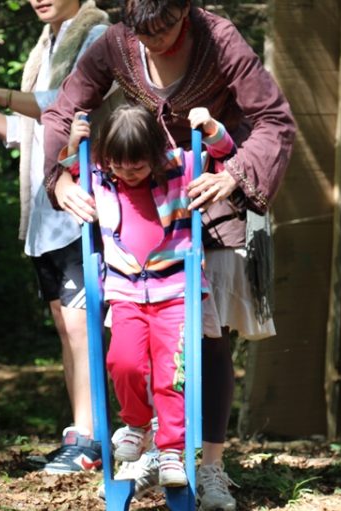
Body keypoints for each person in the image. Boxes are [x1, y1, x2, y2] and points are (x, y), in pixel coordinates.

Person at [42, 0, 296, 511]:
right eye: (144, 30)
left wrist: (235, 175)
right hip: (138, 192)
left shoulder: (219, 39)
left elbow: (274, 120)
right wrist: (59, 176)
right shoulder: (115, 42)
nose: (155, 41)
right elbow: (63, 110)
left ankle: (211, 465)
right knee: (135, 345)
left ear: (186, 9)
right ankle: (158, 444)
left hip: (212, 186)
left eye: (165, 28)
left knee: (210, 335)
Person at [0, 0, 110, 475]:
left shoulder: (97, 37)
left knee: (84, 328)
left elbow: (65, 103)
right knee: (65, 328)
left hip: (82, 202)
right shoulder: (43, 48)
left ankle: (95, 438)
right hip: (44, 213)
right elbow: (25, 131)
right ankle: (80, 432)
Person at [64, 104, 230, 489]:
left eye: (137, 166)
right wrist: (74, 142)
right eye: (119, 165)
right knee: (123, 362)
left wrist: (208, 126)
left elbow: (222, 152)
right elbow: (69, 168)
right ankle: (137, 425)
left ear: (154, 155)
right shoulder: (101, 174)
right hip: (126, 291)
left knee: (173, 373)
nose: (128, 173)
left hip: (175, 291)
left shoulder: (178, 168)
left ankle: (171, 449)